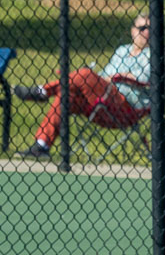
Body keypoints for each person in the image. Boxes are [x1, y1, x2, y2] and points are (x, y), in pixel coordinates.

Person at [14, 14, 154, 158]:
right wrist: (103, 78)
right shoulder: (122, 50)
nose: (146, 32)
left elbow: (144, 78)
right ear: (132, 31)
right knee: (67, 95)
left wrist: (119, 76)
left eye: (150, 28)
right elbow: (103, 74)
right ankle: (41, 145)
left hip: (125, 106)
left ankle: (44, 90)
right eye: (142, 28)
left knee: (85, 74)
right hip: (103, 102)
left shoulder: (153, 54)